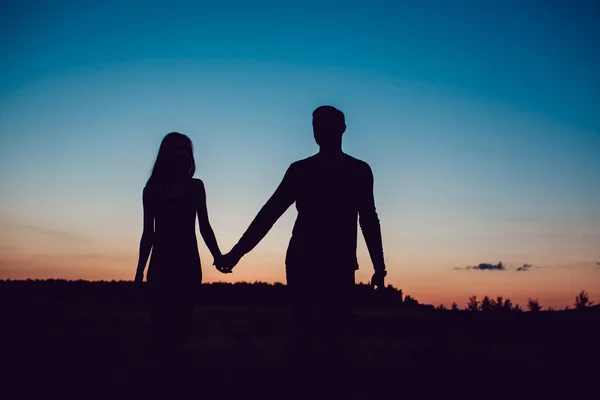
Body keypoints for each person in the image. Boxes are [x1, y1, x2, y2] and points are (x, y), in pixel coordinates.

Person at [217, 105, 387, 375]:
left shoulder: (359, 171)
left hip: (340, 265)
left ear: (342, 128)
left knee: (335, 338)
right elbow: (269, 213)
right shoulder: (300, 171)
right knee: (302, 335)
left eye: (327, 123)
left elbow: (368, 219)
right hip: (302, 263)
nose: (321, 129)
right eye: (316, 124)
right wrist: (237, 253)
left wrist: (379, 267)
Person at [134, 132, 225, 361]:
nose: (183, 154)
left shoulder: (195, 187)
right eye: (178, 149)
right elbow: (148, 234)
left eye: (186, 150)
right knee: (160, 328)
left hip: (188, 266)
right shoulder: (152, 190)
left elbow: (205, 227)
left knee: (181, 327)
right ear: (166, 154)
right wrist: (139, 270)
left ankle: (175, 376)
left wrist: (218, 256)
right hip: (160, 267)